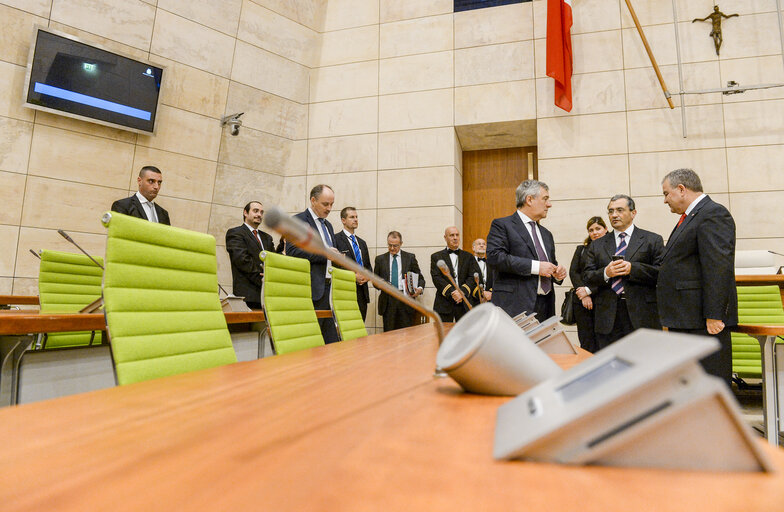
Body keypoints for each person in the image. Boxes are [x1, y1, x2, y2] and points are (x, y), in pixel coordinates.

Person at [657, 169, 738, 384]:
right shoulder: (691, 217)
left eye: (666, 194)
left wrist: (714, 314)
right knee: (690, 383)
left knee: (709, 381)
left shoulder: (712, 214)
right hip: (685, 317)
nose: (665, 201)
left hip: (702, 320)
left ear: (681, 189)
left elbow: (718, 266)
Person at [583, 195, 664, 351]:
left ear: (633, 213)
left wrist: (633, 269)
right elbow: (587, 276)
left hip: (642, 315)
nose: (614, 215)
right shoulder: (597, 245)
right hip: (608, 317)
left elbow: (662, 273)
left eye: (620, 210)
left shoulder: (652, 240)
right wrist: (606, 273)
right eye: (611, 211)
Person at [486, 180, 566, 321]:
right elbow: (495, 257)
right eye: (545, 199)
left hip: (545, 307)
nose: (549, 204)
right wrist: (536, 266)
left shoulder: (546, 234)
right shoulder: (502, 225)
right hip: (515, 307)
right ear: (529, 199)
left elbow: (550, 265)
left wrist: (557, 274)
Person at [286, 184, 340, 343]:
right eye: (325, 204)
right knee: (312, 342)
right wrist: (325, 253)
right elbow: (293, 251)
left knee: (330, 343)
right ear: (313, 200)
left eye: (332, 204)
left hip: (330, 290)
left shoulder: (328, 225)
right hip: (310, 289)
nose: (329, 208)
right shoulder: (298, 221)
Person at [224, 201, 276, 310]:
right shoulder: (235, 233)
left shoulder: (267, 237)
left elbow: (274, 260)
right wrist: (263, 279)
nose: (259, 215)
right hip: (248, 296)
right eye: (255, 211)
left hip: (269, 297)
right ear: (245, 213)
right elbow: (242, 260)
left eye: (261, 212)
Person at [568, 216, 607, 353]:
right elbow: (574, 272)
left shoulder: (612, 248)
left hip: (603, 298)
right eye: (591, 230)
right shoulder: (582, 249)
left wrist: (589, 291)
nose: (594, 232)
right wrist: (583, 294)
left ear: (605, 229)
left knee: (603, 341)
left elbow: (609, 275)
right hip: (582, 301)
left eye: (598, 228)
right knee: (586, 340)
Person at [374, 231, 425, 332]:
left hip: (405, 300)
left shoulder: (410, 258)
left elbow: (420, 278)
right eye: (390, 245)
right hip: (388, 301)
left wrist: (419, 289)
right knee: (388, 336)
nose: (392, 248)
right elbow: (374, 280)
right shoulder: (380, 259)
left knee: (406, 335)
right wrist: (380, 284)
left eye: (395, 246)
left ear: (401, 243)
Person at [430, 226, 480, 322]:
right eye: (452, 235)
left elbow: (472, 276)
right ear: (445, 237)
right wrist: (452, 293)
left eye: (457, 235)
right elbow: (437, 278)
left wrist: (462, 292)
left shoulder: (469, 257)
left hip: (465, 303)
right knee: (444, 335)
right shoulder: (436, 256)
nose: (455, 238)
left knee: (465, 334)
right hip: (444, 303)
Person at [334, 207, 373, 321]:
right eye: (352, 217)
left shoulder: (362, 243)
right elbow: (334, 267)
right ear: (343, 220)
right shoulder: (335, 240)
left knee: (360, 329)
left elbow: (368, 267)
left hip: (362, 293)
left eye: (356, 217)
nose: (355, 219)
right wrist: (353, 276)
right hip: (345, 293)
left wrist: (366, 276)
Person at [472, 238, 493, 303]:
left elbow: (495, 280)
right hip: (473, 300)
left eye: (484, 244)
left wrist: (490, 293)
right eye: (479, 244)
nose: (482, 245)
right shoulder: (468, 263)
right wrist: (481, 294)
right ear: (473, 248)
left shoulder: (491, 264)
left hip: (489, 301)